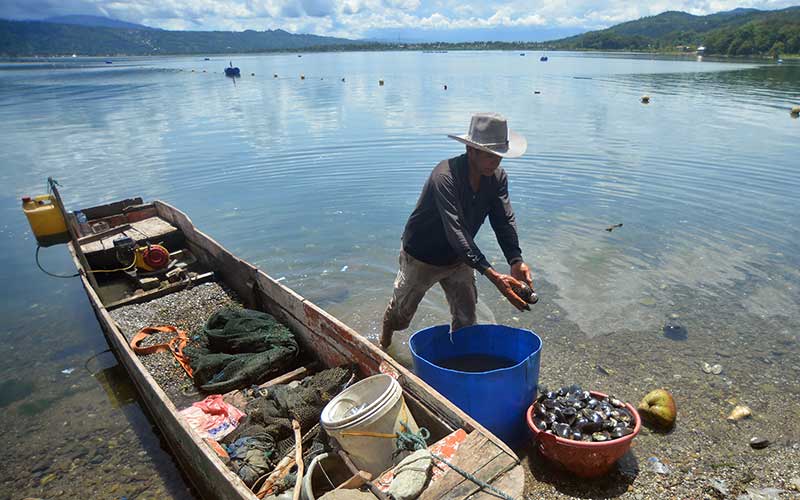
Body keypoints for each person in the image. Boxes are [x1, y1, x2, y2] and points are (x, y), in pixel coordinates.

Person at [381, 112, 535, 348]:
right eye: (490, 155)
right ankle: (384, 340)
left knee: (466, 319)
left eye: (499, 156)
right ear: (471, 150)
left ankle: (461, 361)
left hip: (461, 257)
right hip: (422, 256)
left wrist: (516, 260)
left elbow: (503, 219)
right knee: (401, 317)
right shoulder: (445, 176)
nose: (495, 162)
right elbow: (456, 231)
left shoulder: (496, 178)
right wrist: (493, 275)